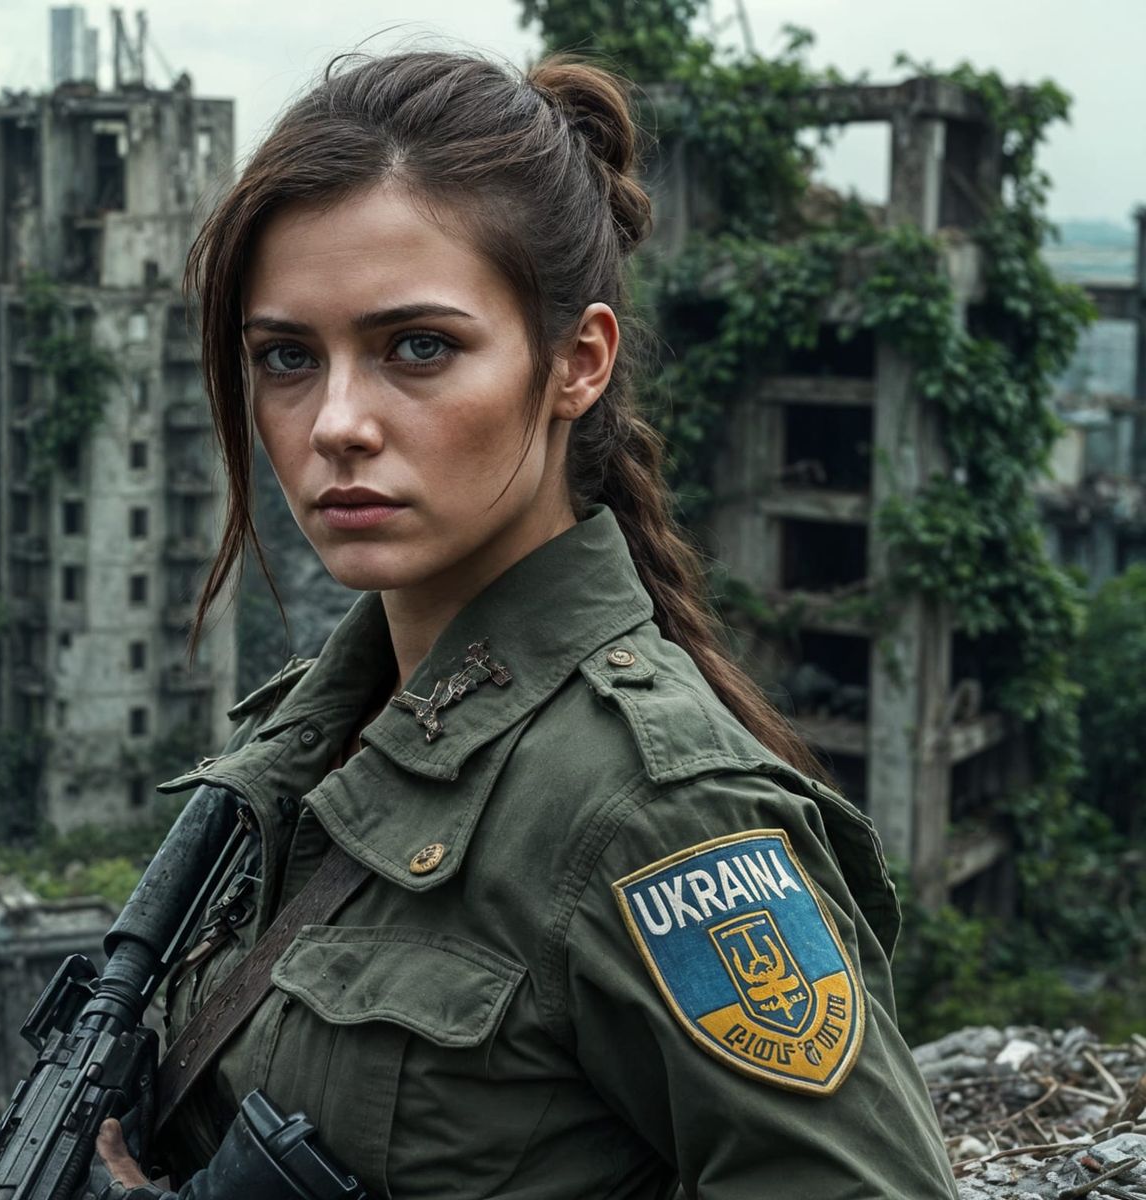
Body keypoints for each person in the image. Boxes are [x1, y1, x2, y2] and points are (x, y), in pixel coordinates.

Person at [87, 48, 959, 1200]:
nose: (335, 422)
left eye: (418, 347)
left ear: (575, 363)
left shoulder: (655, 812)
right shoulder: (317, 735)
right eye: (286, 358)